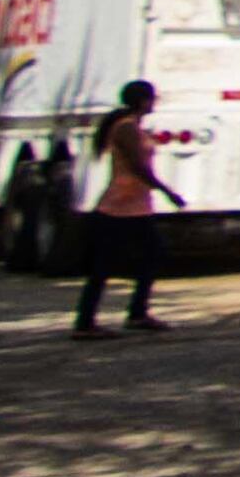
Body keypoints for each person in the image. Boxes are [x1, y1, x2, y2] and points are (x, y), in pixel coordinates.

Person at [71, 80, 181, 337]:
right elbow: (138, 167)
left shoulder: (132, 127)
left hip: (135, 206)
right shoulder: (126, 128)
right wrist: (168, 192)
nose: (155, 102)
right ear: (143, 100)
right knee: (106, 265)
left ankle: (135, 313)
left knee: (149, 256)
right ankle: (89, 323)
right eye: (152, 98)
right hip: (119, 207)